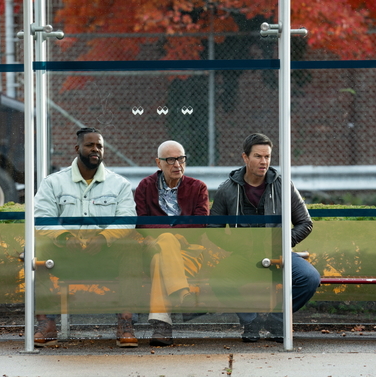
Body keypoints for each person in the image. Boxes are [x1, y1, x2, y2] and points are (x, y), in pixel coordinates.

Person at [33, 127, 141, 348]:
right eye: (90, 145)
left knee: (132, 250)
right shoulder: (53, 183)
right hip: (65, 255)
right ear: (77, 148)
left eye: (99, 146)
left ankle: (125, 323)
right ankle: (47, 324)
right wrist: (63, 236)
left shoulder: (119, 184)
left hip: (106, 254)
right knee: (40, 251)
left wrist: (104, 237)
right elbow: (41, 217)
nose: (95, 149)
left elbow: (128, 219)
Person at [210, 133, 320, 343]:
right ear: (245, 157)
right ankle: (250, 321)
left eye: (267, 156)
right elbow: (212, 229)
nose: (264, 162)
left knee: (309, 278)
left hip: (279, 254)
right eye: (258, 156)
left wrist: (282, 242)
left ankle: (276, 321)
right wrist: (236, 246)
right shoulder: (227, 189)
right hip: (244, 257)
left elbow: (306, 223)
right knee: (218, 279)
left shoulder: (283, 185)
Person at [134, 140, 209, 346]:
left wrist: (172, 238)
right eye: (171, 160)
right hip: (154, 248)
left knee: (160, 259)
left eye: (181, 158)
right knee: (164, 244)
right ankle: (182, 296)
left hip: (189, 252)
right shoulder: (145, 187)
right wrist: (171, 237)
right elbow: (141, 222)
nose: (178, 164)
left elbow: (201, 222)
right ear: (159, 163)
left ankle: (162, 327)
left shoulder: (198, 187)